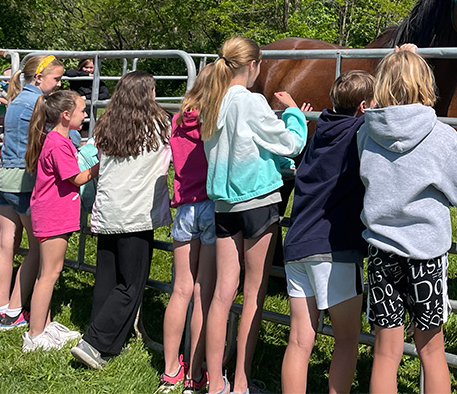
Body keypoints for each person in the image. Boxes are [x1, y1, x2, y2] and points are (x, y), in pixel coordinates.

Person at [359, 47, 457, 394]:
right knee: (431, 351)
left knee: (386, 353)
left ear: (382, 84)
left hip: (381, 251)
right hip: (426, 256)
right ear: (425, 83)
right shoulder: (441, 136)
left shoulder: (366, 133)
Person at [196, 37, 309, 394]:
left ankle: (215, 382)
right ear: (254, 66)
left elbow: (240, 146)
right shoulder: (251, 102)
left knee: (221, 294)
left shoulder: (211, 102)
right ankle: (241, 380)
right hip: (258, 202)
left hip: (224, 206)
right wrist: (295, 114)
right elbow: (290, 143)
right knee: (254, 292)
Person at [71, 71, 173, 369]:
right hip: (137, 215)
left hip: (108, 211)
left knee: (107, 277)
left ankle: (108, 342)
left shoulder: (107, 125)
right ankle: (94, 342)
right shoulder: (160, 125)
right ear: (147, 94)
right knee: (131, 284)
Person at [281, 70, 374, 394]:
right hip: (335, 249)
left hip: (296, 245)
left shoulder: (318, 130)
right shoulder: (360, 132)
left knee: (298, 340)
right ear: (364, 107)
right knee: (347, 340)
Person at [0, 54, 64, 331]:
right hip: (25, 180)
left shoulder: (16, 100)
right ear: (39, 78)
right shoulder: (38, 104)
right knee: (35, 248)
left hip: (5, 177)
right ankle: (15, 308)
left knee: (6, 243)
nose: (58, 84)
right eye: (55, 79)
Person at [23, 89, 98, 351]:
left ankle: (45, 324)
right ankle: (34, 335)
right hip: (53, 216)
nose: (86, 113)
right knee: (50, 274)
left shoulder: (58, 140)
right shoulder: (57, 143)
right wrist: (101, 164)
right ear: (66, 115)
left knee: (49, 272)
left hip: (54, 215)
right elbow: (76, 178)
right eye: (82, 110)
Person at [159, 71, 217, 392]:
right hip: (210, 205)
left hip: (184, 208)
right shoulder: (214, 121)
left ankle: (170, 370)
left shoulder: (178, 120)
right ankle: (195, 374)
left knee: (179, 289)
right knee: (202, 291)